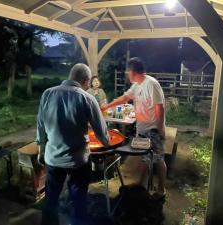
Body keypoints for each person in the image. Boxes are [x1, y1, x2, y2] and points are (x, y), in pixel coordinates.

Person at [36, 63, 110, 225]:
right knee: (78, 201)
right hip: (77, 161)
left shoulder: (47, 94)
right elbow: (101, 130)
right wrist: (107, 143)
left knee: (51, 200)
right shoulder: (87, 98)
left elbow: (40, 125)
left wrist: (41, 149)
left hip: (53, 158)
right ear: (86, 80)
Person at [101, 57, 167, 199]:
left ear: (133, 71)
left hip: (153, 129)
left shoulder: (152, 84)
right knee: (144, 157)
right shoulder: (137, 84)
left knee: (159, 159)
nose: (127, 74)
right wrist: (107, 106)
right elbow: (124, 98)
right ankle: (140, 184)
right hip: (142, 128)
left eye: (128, 71)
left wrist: (160, 129)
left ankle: (161, 190)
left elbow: (159, 108)